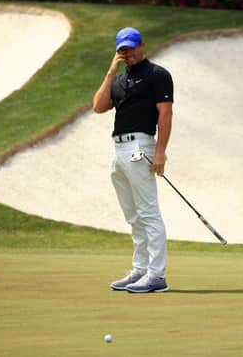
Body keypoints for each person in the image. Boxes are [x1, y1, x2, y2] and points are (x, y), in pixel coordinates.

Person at [92, 27, 174, 293]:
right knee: (134, 216)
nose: (128, 53)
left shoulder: (157, 75)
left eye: (131, 48)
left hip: (141, 146)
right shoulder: (119, 80)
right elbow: (98, 106)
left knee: (149, 214)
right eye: (122, 50)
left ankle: (156, 275)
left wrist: (160, 152)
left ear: (142, 46)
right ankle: (140, 269)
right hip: (119, 150)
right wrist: (110, 72)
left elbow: (165, 115)